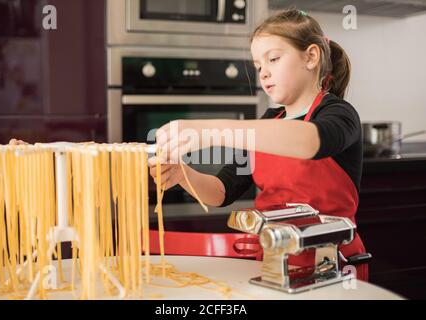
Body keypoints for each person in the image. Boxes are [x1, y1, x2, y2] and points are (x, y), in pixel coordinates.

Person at [149, 9, 368, 281]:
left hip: (332, 264)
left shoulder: (338, 113)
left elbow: (311, 141)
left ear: (311, 56)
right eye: (258, 66)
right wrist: (183, 174)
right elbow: (221, 191)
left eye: (273, 59)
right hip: (272, 265)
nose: (264, 74)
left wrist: (212, 131)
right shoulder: (266, 123)